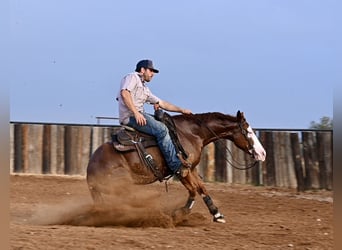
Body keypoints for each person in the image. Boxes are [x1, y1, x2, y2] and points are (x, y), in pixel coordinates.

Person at [116, 59, 192, 178]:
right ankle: (176, 166)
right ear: (142, 70)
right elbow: (125, 94)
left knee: (166, 124)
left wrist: (181, 110)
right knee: (161, 130)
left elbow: (162, 103)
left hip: (137, 114)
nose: (153, 74)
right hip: (130, 117)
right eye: (150, 70)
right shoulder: (132, 77)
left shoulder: (145, 89)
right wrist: (136, 113)